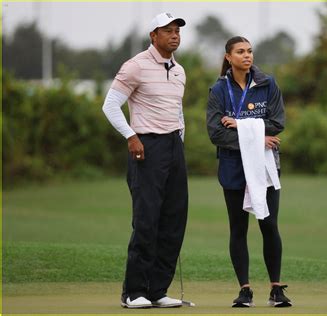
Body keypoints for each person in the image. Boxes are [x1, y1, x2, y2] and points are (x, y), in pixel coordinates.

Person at [102, 12, 188, 309]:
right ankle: (134, 291)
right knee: (147, 220)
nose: (175, 35)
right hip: (146, 146)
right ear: (154, 35)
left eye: (177, 30)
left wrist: (180, 142)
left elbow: (177, 112)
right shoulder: (135, 66)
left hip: (173, 146)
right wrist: (131, 136)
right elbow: (110, 105)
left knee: (174, 219)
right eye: (168, 30)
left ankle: (157, 290)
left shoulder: (179, 70)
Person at [206, 36, 292, 308]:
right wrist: (256, 137)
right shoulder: (219, 90)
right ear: (228, 57)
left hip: (265, 164)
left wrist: (241, 126)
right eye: (240, 52)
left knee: (269, 225)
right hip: (233, 165)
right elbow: (215, 132)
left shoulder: (268, 83)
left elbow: (277, 123)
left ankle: (276, 289)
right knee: (238, 228)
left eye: (250, 51)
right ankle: (245, 290)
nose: (247, 56)